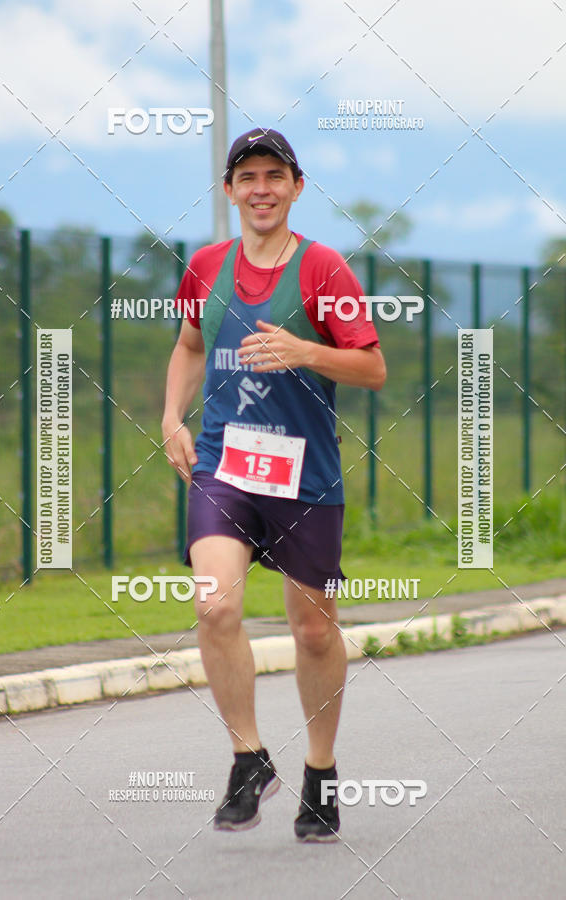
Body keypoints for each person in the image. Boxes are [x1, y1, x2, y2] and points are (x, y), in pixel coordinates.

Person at [161, 128, 386, 841]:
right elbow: (189, 345)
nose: (261, 189)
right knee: (215, 606)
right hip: (224, 466)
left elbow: (373, 368)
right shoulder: (206, 266)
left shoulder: (323, 270)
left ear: (296, 187)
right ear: (229, 190)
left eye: (274, 176)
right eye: (248, 177)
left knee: (313, 630)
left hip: (303, 473)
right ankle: (248, 758)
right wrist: (171, 416)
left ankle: (320, 772)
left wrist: (305, 351)